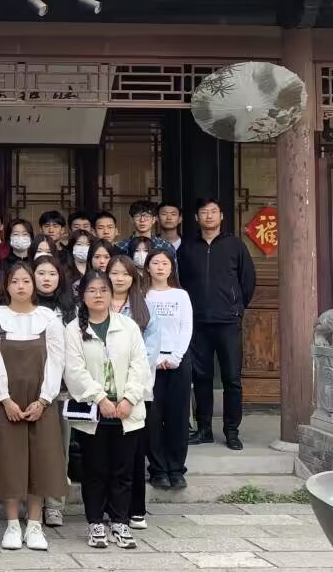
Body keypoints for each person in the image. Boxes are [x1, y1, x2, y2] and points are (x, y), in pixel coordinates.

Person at [0, 262, 66, 552]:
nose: (21, 286)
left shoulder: (48, 318)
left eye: (26, 281)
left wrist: (44, 399)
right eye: (15, 281)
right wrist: (4, 398)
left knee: (40, 461)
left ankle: (35, 524)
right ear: (6, 286)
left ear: (33, 285)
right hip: (6, 401)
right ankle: (12, 524)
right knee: (9, 460)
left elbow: (56, 360)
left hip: (41, 400)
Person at [64, 270, 150, 551]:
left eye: (103, 290)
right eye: (92, 290)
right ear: (82, 296)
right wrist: (100, 398)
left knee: (123, 471)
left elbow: (140, 366)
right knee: (95, 470)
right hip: (94, 413)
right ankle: (95, 523)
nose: (98, 295)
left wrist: (129, 399)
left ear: (112, 294)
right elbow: (74, 371)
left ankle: (120, 521)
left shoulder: (128, 326)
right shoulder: (73, 330)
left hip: (127, 412)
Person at [178, 198, 256, 451]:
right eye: (204, 212)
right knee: (201, 378)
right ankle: (204, 429)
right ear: (196, 218)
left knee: (232, 378)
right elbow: (180, 282)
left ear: (222, 216)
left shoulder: (235, 245)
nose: (209, 216)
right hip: (198, 323)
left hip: (227, 323)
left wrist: (237, 308)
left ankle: (231, 431)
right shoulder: (188, 248)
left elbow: (248, 280)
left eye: (214, 212)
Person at [106, 255, 160, 528]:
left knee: (135, 452)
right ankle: (109, 508)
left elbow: (148, 355)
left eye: (125, 274)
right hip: (104, 392)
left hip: (136, 393)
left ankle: (136, 509)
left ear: (133, 278)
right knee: (106, 451)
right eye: (114, 273)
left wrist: (129, 391)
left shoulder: (143, 309)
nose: (119, 278)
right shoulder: (96, 304)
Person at [144, 249, 194, 488]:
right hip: (149, 363)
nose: (160, 267)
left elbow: (186, 327)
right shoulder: (142, 295)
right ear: (148, 267)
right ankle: (157, 470)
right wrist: (152, 358)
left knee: (178, 417)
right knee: (152, 418)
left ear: (171, 268)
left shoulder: (181, 295)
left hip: (178, 362)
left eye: (165, 263)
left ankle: (176, 469)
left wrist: (176, 357)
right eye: (155, 263)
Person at [33, 254, 76, 528]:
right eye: (41, 273)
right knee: (30, 449)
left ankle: (55, 505)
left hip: (61, 390)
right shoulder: (23, 306)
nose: (46, 279)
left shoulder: (70, 309)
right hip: (29, 386)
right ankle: (32, 503)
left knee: (58, 448)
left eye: (52, 274)